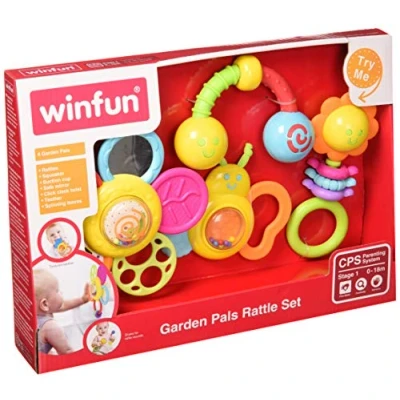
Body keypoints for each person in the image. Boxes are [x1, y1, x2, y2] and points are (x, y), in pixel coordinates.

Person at [34, 269, 90, 354]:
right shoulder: (50, 327)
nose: (61, 292)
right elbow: (67, 352)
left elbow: (63, 305)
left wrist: (82, 300)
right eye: (57, 291)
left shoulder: (34, 312)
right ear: (45, 304)